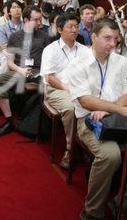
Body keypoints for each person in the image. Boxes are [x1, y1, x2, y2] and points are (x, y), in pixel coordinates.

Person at [67, 18, 127, 220]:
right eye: (107, 38)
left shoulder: (122, 61)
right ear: (93, 37)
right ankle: (92, 210)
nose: (112, 44)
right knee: (111, 155)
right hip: (87, 120)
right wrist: (114, 109)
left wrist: (109, 111)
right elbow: (85, 101)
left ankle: (122, 199)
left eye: (115, 39)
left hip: (117, 116)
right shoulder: (78, 64)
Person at [40, 13, 90, 168]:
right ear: (60, 29)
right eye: (70, 27)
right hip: (57, 89)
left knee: (94, 104)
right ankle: (70, 147)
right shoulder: (51, 49)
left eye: (76, 26)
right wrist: (67, 88)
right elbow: (49, 77)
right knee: (70, 107)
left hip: (80, 89)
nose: (75, 30)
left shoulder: (84, 50)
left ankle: (86, 144)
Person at [0, 6, 50, 136]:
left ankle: (33, 122)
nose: (40, 23)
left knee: (44, 84)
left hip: (38, 72)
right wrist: (21, 70)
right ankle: (9, 121)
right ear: (26, 20)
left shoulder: (44, 37)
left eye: (40, 20)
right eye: (36, 20)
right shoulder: (14, 37)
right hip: (19, 71)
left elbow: (49, 62)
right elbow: (10, 62)